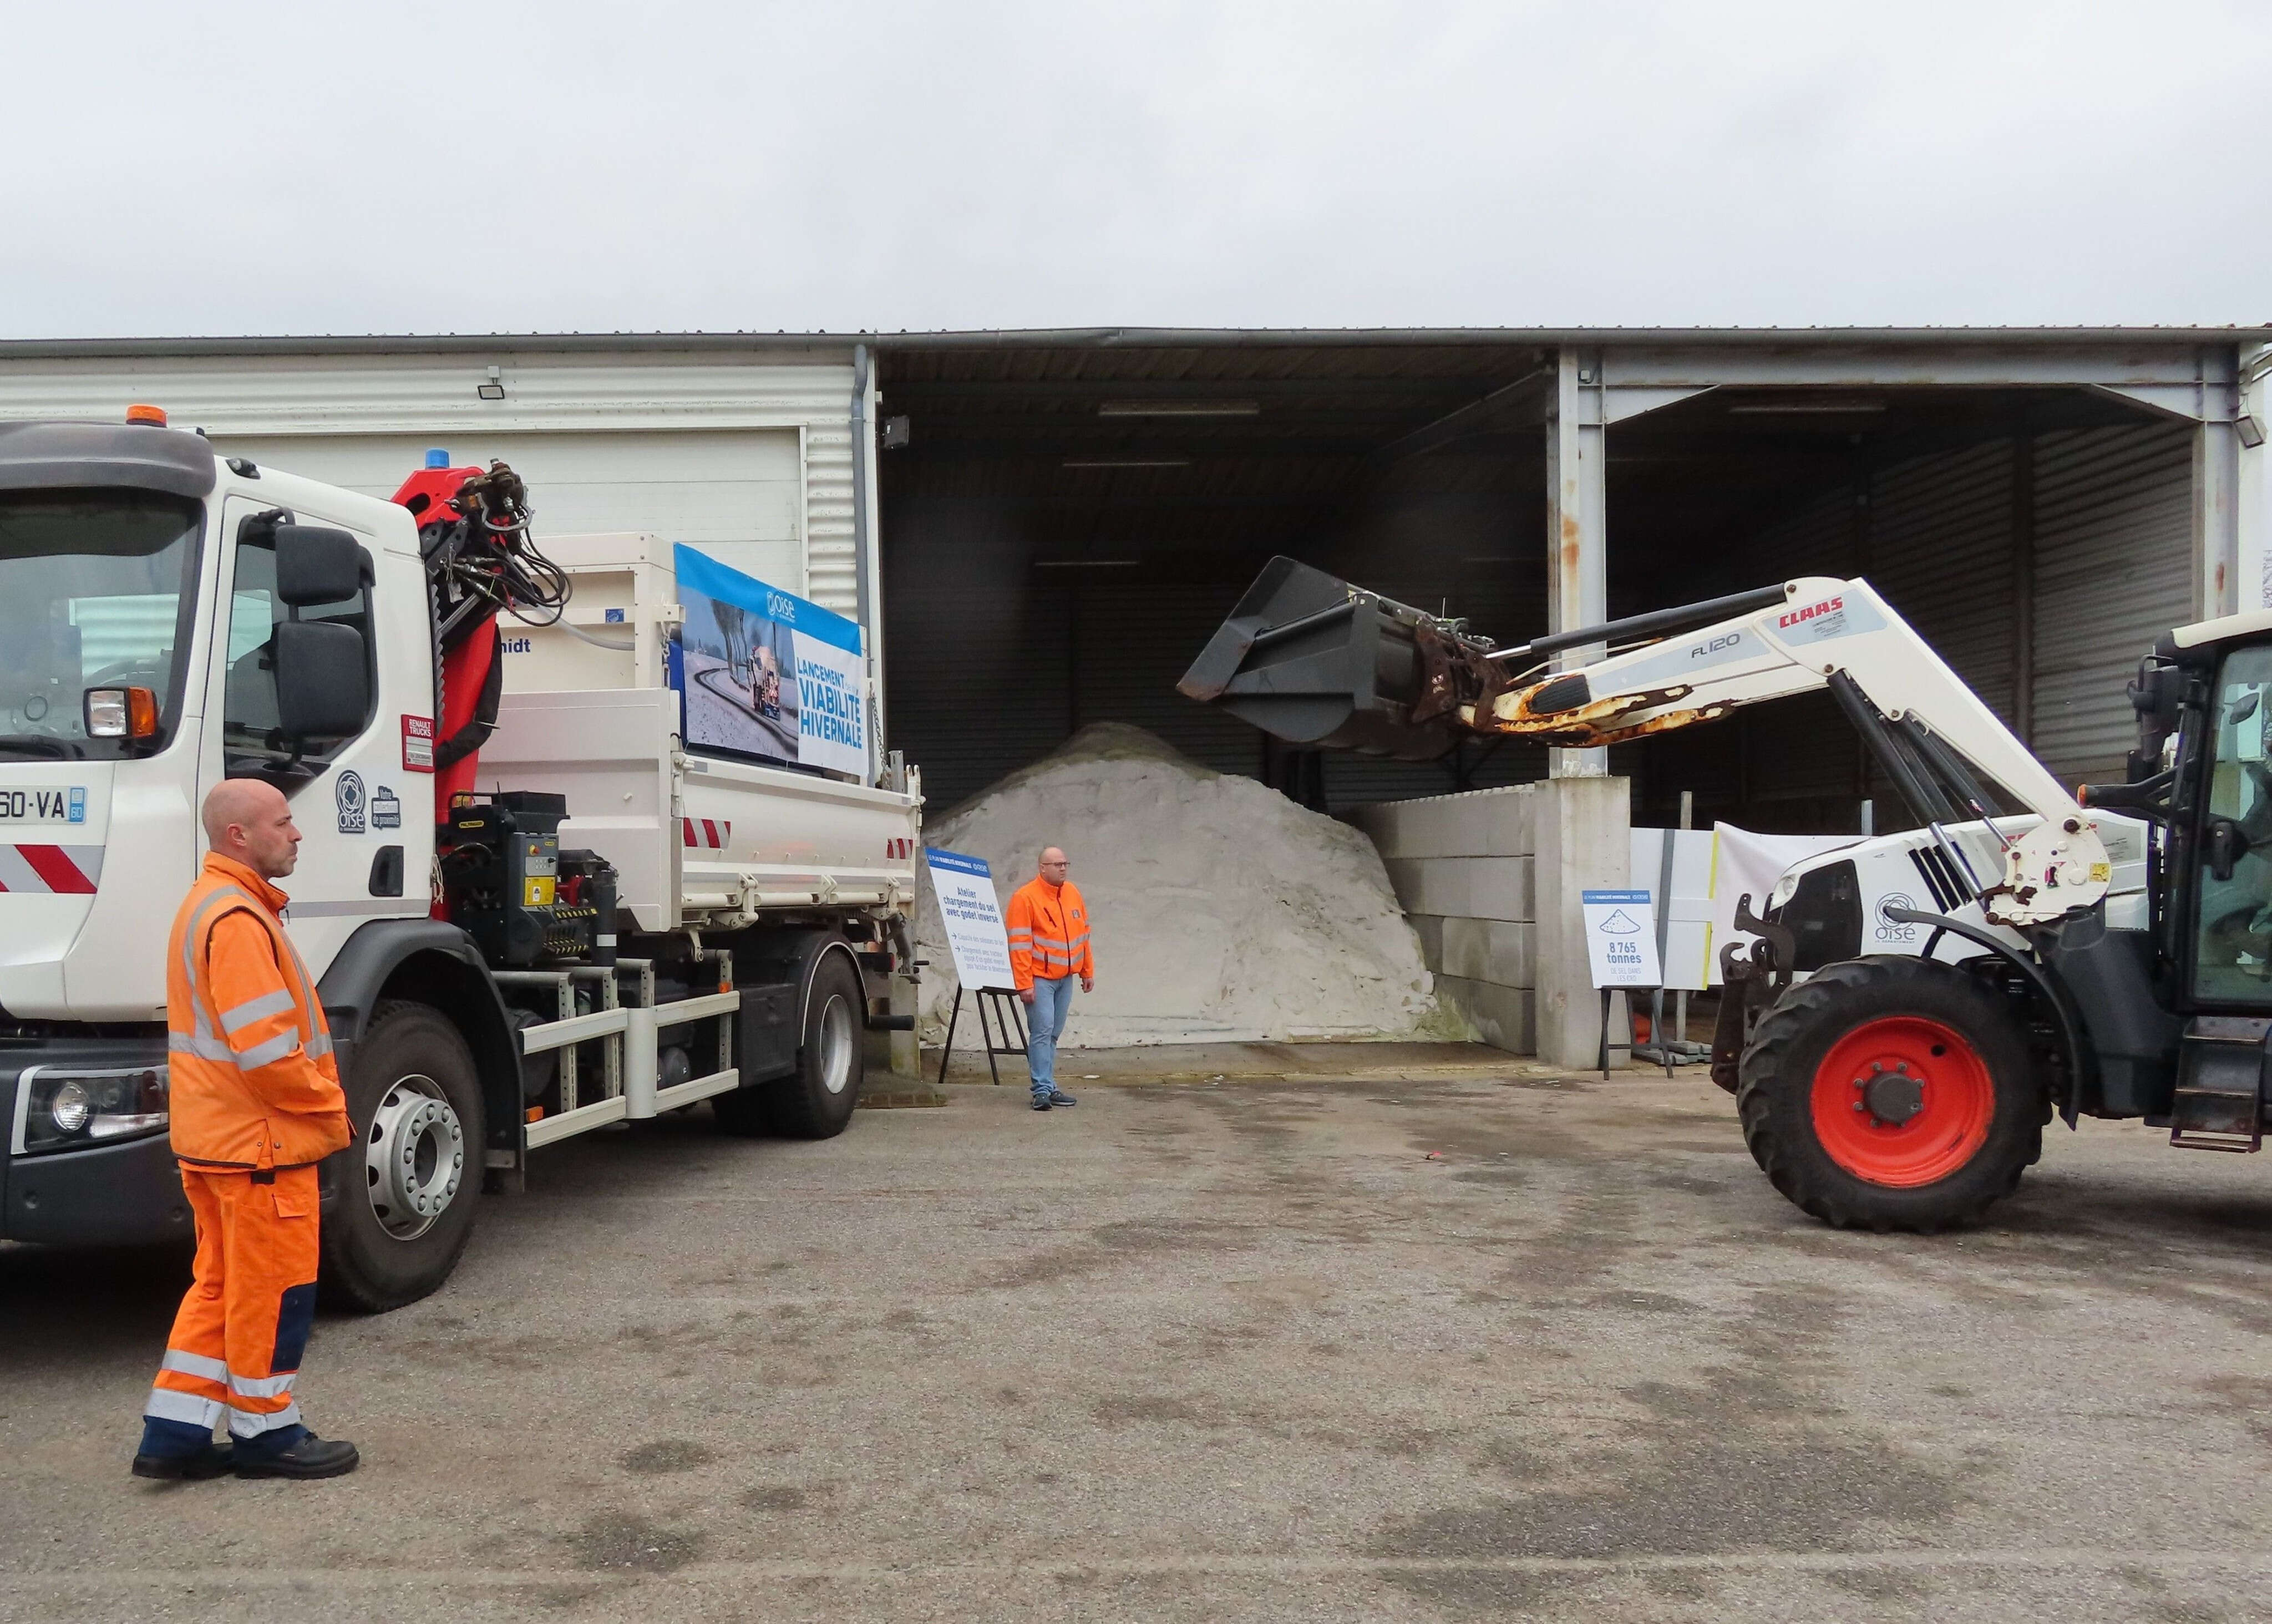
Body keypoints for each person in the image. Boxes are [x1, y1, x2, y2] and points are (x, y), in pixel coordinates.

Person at [131, 779, 360, 1482]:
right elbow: (265, 1053)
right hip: (262, 1146)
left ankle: (176, 1434)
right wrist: (329, 1106)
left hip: (220, 1144)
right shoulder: (237, 919)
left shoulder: (213, 906)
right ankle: (268, 1434)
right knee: (274, 1291)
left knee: (220, 1288)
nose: (297, 834)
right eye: (283, 822)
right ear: (239, 836)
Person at [1006, 846, 1094, 1112]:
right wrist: (1024, 983)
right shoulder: (1025, 898)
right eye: (1056, 864)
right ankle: (1042, 1090)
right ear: (1042, 868)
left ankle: (1048, 1085)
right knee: (1042, 1032)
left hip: (1065, 977)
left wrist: (1086, 971)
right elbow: (1019, 945)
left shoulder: (1072, 894)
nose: (1063, 868)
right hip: (1040, 979)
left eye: (1065, 863)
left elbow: (1084, 936)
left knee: (1053, 1033)